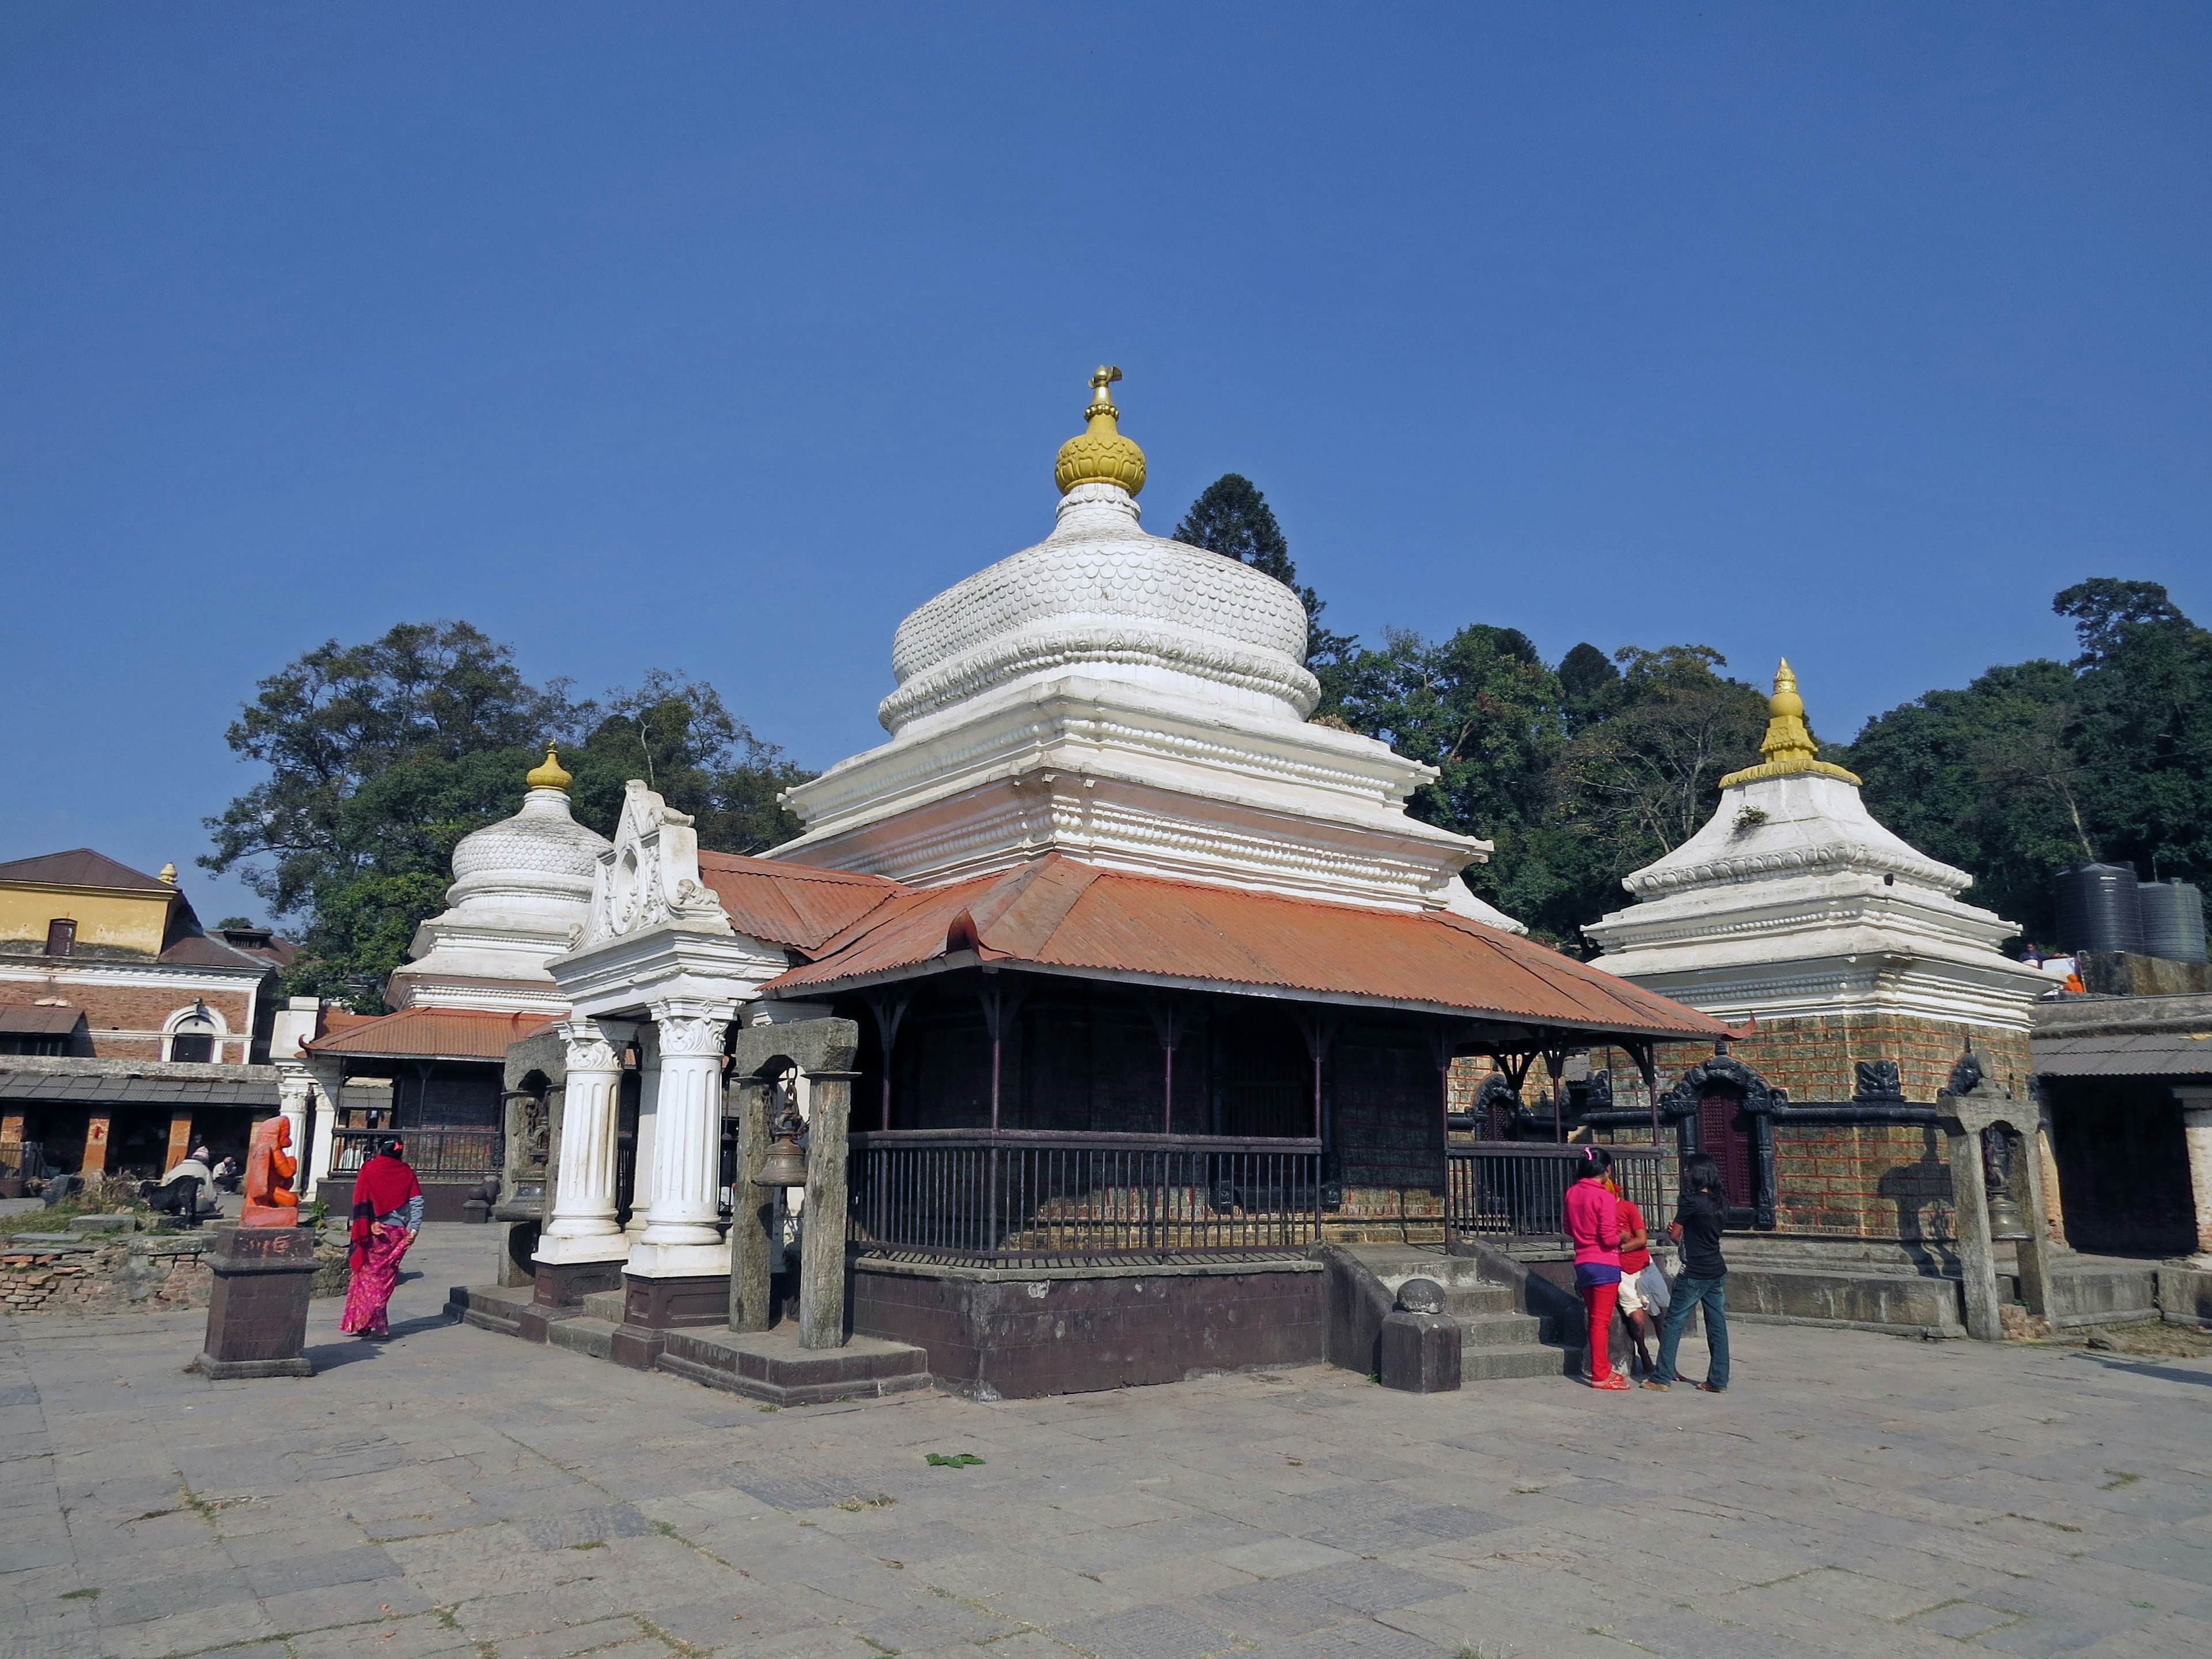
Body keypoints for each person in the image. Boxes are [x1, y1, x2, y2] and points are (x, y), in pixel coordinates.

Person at [1645, 1153, 1730, 1393]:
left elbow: (1675, 1236)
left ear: (1697, 1174)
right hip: (1716, 1267)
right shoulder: (1721, 1201)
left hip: (1694, 1271)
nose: (1686, 1175)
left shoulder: (1691, 1202)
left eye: (1688, 1171)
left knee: (1673, 1322)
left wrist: (1673, 1230)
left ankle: (1661, 1377)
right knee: (1717, 1325)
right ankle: (1718, 1380)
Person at [340, 1137, 423, 1341]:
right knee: (385, 1277)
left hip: (374, 1230)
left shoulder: (369, 1169)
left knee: (365, 1277)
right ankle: (370, 1323)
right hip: (398, 1233)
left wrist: (370, 1222)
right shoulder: (407, 1173)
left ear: (381, 1151)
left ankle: (368, 1322)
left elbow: (362, 1198)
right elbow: (417, 1202)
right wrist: (414, 1230)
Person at [1563, 1144, 1629, 1391]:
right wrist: (1622, 1236)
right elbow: (1608, 1237)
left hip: (1583, 1262)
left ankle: (1602, 1368)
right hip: (1604, 1263)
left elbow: (1569, 1228)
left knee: (1594, 1320)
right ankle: (1600, 1373)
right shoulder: (1604, 1196)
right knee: (1601, 1322)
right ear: (1607, 1170)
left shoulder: (1572, 1193)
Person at [1609, 1171, 1658, 1376]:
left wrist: (1621, 1244)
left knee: (1660, 1313)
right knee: (1637, 1318)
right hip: (1621, 1270)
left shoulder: (1628, 1208)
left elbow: (1641, 1240)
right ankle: (1644, 1353)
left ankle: (1666, 1363)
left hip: (1643, 1265)